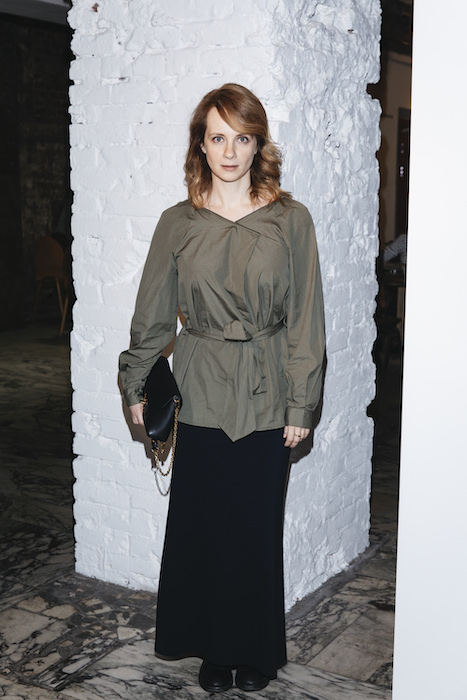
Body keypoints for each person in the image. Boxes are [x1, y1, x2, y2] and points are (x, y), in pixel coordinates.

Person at [119, 83, 325, 693]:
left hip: (268, 389)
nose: (230, 152)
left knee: (256, 527)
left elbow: (306, 318)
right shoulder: (177, 223)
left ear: (259, 144)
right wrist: (135, 382)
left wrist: (302, 401)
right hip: (202, 385)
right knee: (205, 524)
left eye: (242, 138)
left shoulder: (291, 220)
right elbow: (153, 315)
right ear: (201, 146)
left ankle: (253, 650)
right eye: (218, 138)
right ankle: (213, 648)